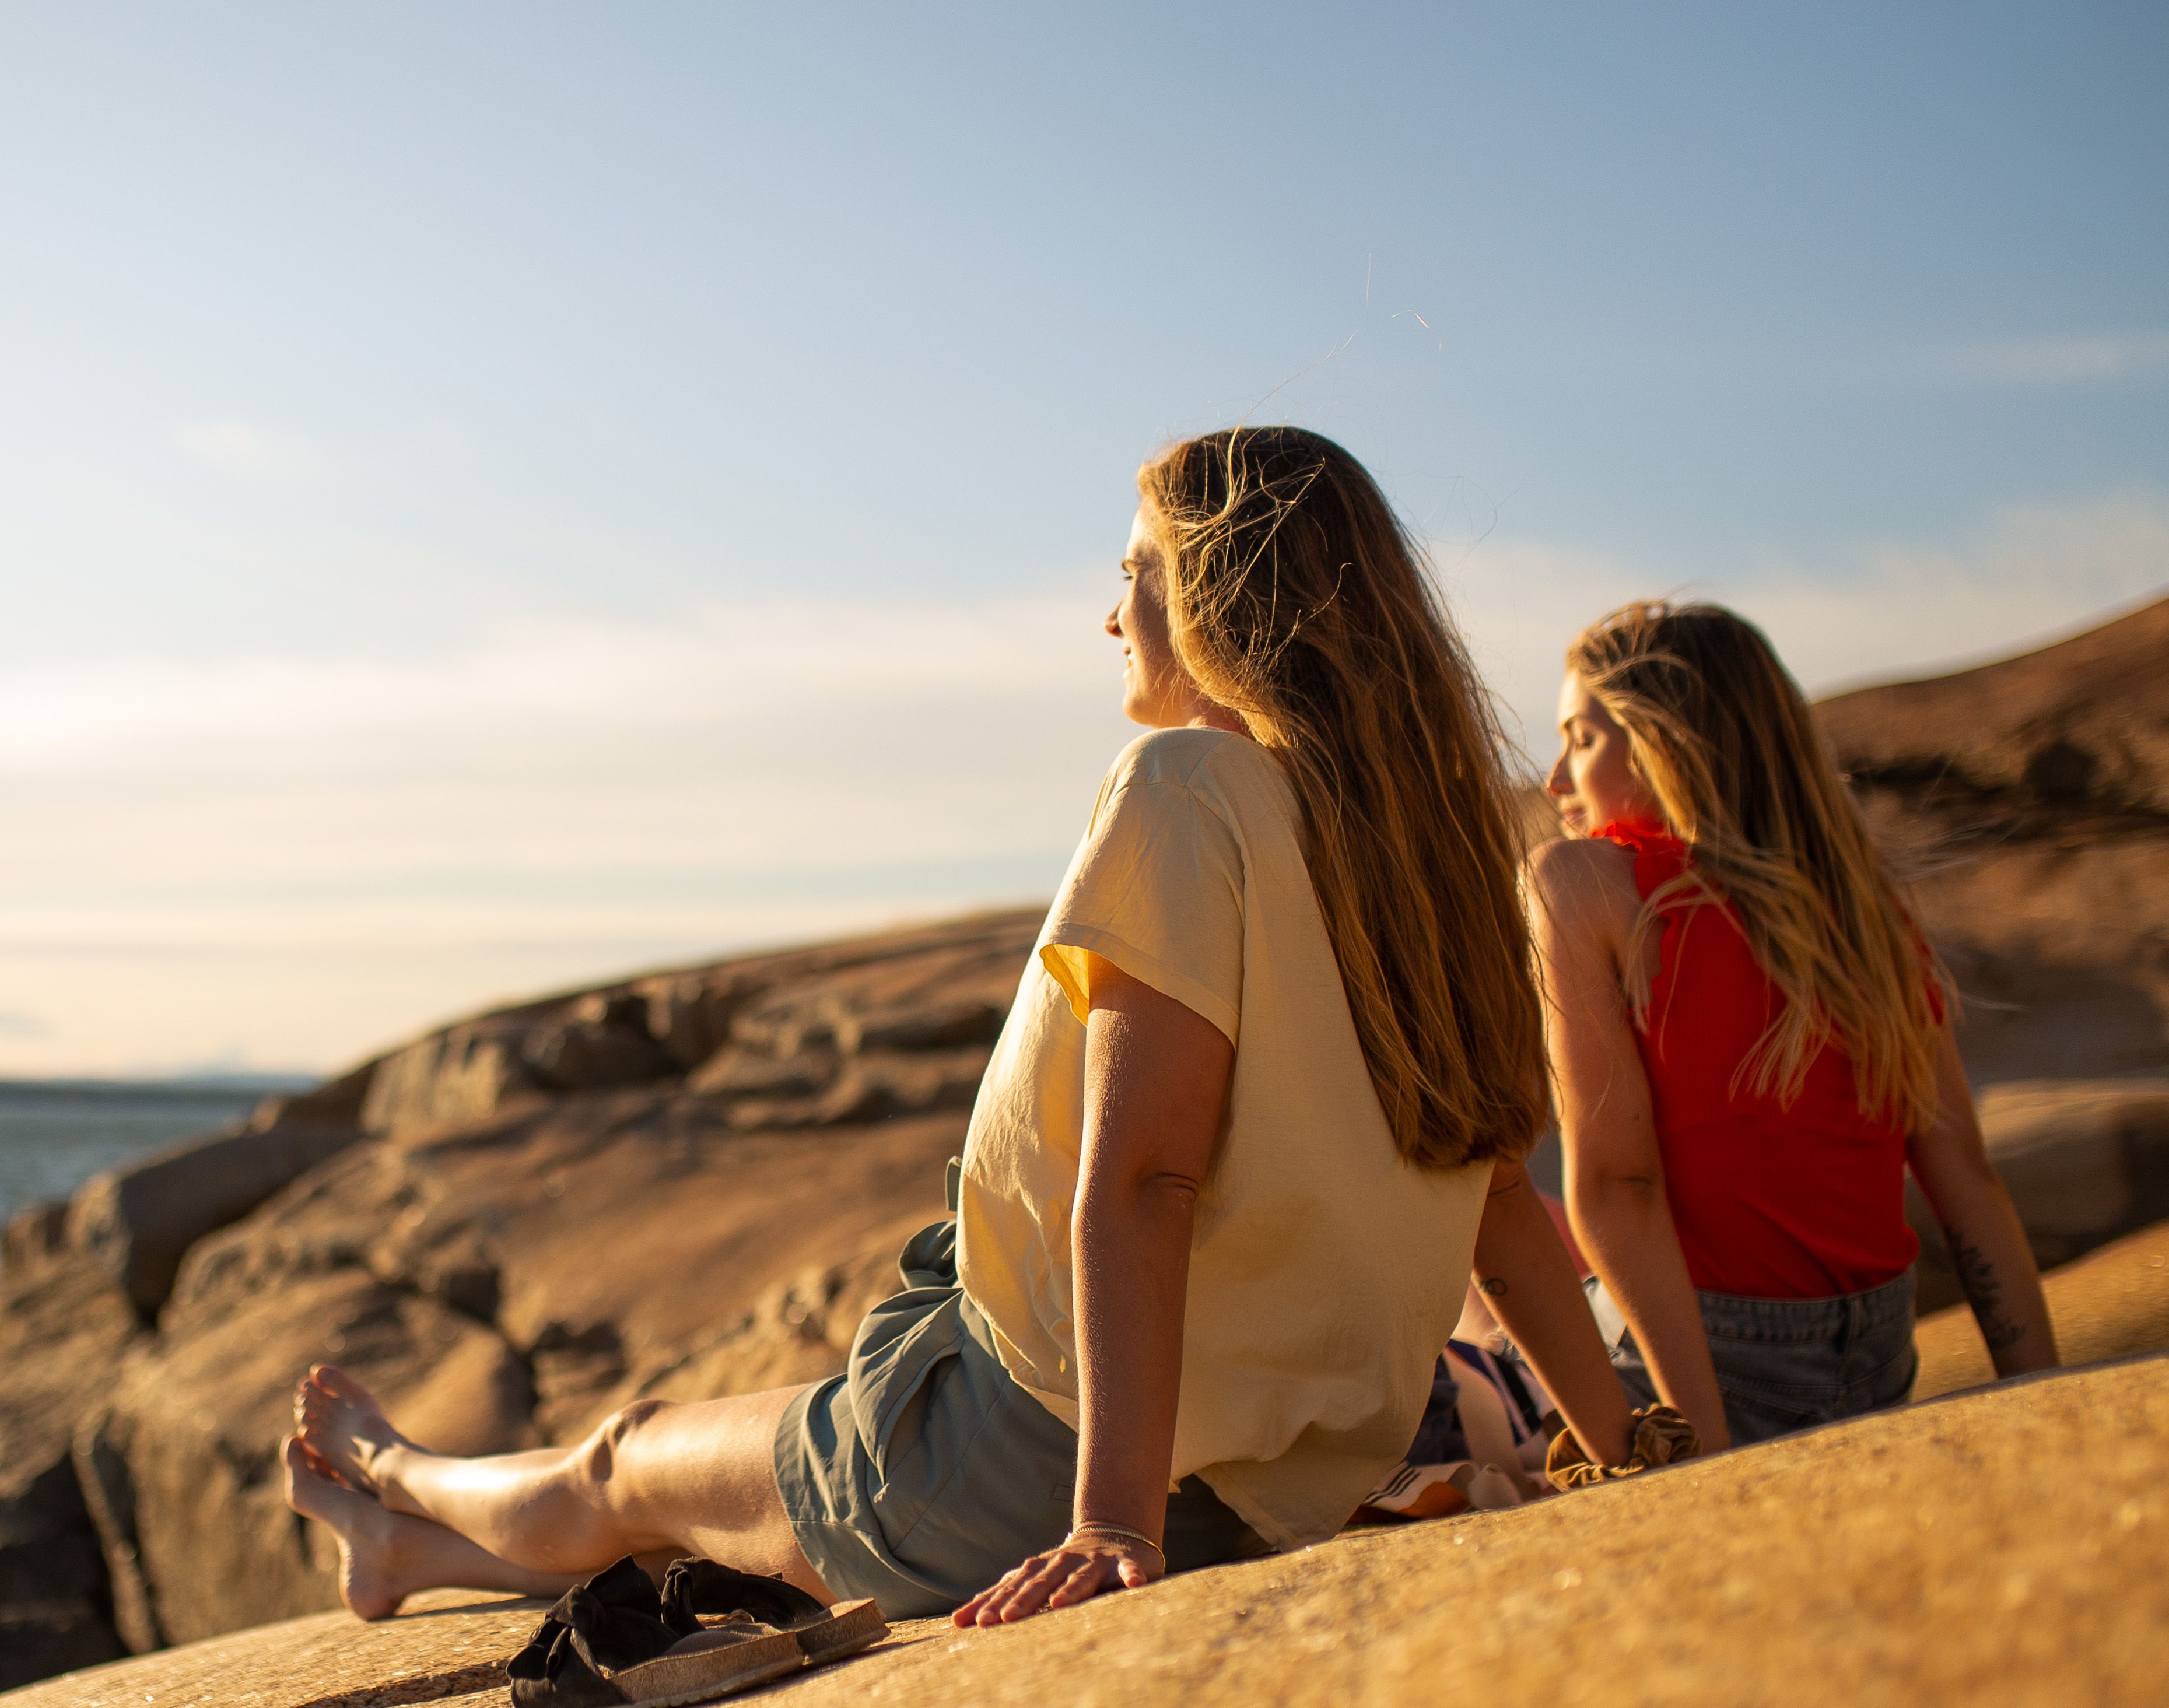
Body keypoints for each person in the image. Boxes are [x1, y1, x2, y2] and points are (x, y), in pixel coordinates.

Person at [284, 425, 1637, 1632]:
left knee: (622, 1463)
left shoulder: (1185, 785)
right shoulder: (1434, 853)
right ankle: (396, 1544)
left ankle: (396, 1469)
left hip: (1030, 1449)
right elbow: (1502, 1203)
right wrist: (1629, 1442)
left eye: (1136, 575)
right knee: (698, 1524)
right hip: (1270, 1487)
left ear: (1223, 600)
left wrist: (1109, 1525)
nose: (1113, 619)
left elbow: (1145, 1176)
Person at [1526, 601, 2059, 1450]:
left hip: (1701, 1358)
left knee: (1487, 1313)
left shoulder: (1582, 884)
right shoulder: (1860, 911)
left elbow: (1619, 1186)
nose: (1556, 780)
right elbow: (1963, 1175)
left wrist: (1697, 1447)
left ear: (1671, 744)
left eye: (1581, 741)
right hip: (1877, 1355)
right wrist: (2039, 1394)